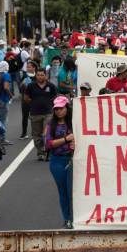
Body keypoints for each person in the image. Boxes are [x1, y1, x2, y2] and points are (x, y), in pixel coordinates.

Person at [45, 96, 74, 229]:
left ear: (67, 108)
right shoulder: (51, 125)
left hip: (73, 160)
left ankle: (76, 218)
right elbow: (49, 144)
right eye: (56, 109)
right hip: (57, 161)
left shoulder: (75, 122)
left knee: (73, 191)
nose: (58, 111)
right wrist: (66, 139)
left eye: (61, 108)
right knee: (63, 191)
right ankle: (67, 219)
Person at [24, 68, 58, 161]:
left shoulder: (51, 86)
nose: (40, 77)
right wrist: (33, 103)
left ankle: (48, 152)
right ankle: (40, 152)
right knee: (37, 135)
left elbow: (55, 97)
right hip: (35, 113)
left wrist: (50, 104)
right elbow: (26, 97)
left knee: (47, 134)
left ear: (45, 75)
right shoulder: (31, 86)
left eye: (42, 75)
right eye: (38, 75)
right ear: (36, 76)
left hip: (48, 113)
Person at [19, 60, 37, 140]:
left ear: (34, 68)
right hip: (25, 99)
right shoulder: (24, 76)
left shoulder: (38, 76)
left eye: (29, 67)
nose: (27, 68)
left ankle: (35, 133)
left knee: (34, 117)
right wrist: (23, 84)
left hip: (35, 99)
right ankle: (24, 133)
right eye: (27, 67)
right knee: (25, 116)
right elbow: (20, 88)